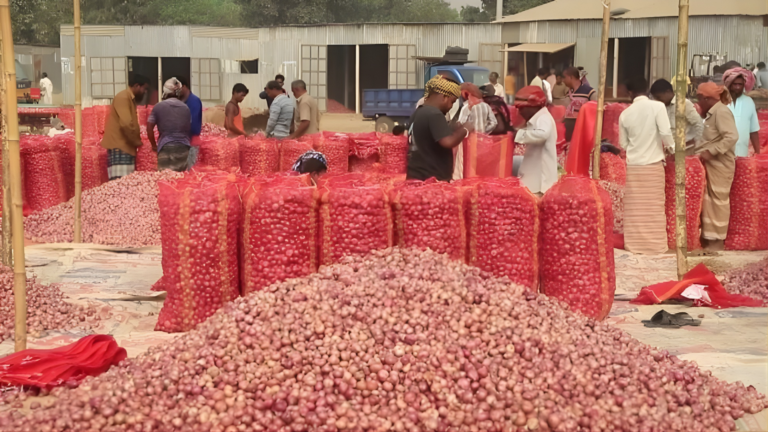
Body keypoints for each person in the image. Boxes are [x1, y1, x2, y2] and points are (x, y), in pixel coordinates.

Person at [619, 77, 674, 255]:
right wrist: (672, 150)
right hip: (653, 166)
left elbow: (624, 144)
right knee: (654, 209)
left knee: (636, 210)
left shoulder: (625, 114)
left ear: (629, 92)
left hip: (634, 167)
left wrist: (637, 149)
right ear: (647, 89)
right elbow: (665, 132)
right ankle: (655, 245)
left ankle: (635, 245)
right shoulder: (657, 107)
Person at [695, 83, 739, 251]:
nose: (698, 102)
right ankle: (709, 239)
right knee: (709, 202)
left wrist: (712, 152)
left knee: (718, 201)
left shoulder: (721, 112)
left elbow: (731, 136)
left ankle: (717, 241)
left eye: (700, 98)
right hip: (712, 164)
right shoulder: (712, 113)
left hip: (721, 164)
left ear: (707, 98)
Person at [407, 75, 473, 182]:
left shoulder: (419, 112)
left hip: (415, 175)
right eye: (452, 102)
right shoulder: (435, 114)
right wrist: (466, 128)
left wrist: (454, 128)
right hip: (431, 179)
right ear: (444, 97)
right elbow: (448, 141)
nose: (451, 106)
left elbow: (432, 136)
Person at [101, 74, 149, 180]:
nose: (145, 92)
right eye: (144, 88)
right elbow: (126, 123)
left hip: (125, 147)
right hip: (120, 147)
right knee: (121, 185)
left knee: (126, 185)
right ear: (137, 86)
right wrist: (136, 141)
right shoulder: (123, 97)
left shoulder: (129, 98)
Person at [513, 86, 557, 196]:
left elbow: (542, 134)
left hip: (540, 182)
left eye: (522, 108)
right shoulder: (537, 117)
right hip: (533, 178)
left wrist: (517, 134)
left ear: (533, 106)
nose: (520, 111)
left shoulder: (543, 118)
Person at [147, 78, 191, 172]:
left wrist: (154, 145)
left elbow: (149, 127)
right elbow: (188, 129)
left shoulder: (159, 107)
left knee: (165, 178)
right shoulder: (185, 108)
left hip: (165, 147)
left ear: (165, 91)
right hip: (183, 148)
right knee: (181, 179)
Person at [455, 83, 497, 179]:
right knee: (481, 168)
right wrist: (484, 133)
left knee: (467, 169)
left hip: (468, 143)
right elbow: (494, 123)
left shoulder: (466, 108)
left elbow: (461, 123)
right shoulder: (485, 106)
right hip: (483, 142)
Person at [650, 78, 703, 153]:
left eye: (659, 97)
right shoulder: (661, 106)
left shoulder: (683, 103)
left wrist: (698, 147)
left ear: (668, 92)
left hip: (686, 149)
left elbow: (698, 124)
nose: (658, 100)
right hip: (668, 150)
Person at [723, 68, 760, 156]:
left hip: (742, 152)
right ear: (729, 85)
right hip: (722, 154)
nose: (737, 87)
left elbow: (753, 130)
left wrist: (757, 152)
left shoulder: (749, 101)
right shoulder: (721, 100)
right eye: (734, 84)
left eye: (740, 84)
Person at [177, 76, 202, 169]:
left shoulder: (194, 102)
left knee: (189, 173)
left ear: (184, 86)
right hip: (181, 142)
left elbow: (193, 125)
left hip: (190, 143)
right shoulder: (181, 101)